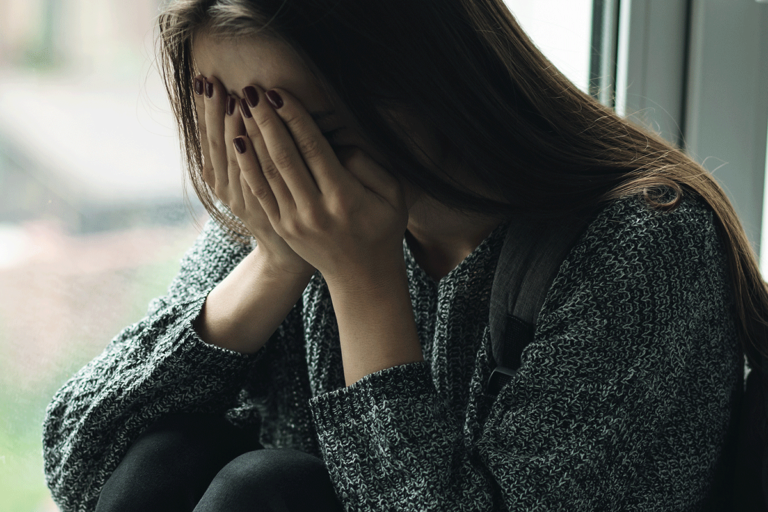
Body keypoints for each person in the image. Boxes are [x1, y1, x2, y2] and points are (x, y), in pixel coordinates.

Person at [41, 0, 768, 511]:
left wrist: (364, 283)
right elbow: (82, 472)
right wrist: (273, 266)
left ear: (425, 83)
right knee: (162, 454)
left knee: (261, 491)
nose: (273, 168)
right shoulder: (285, 218)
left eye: (306, 131)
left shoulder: (641, 248)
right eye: (240, 134)